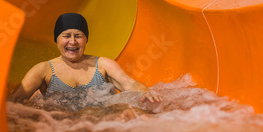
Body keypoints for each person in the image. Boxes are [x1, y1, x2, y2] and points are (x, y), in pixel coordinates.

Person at [9, 13, 162, 105]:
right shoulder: (44, 70)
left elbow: (129, 83)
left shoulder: (103, 65)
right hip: (61, 127)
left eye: (79, 36)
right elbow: (14, 101)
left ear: (86, 39)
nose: (73, 41)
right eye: (66, 36)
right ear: (57, 40)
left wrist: (145, 92)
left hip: (104, 126)